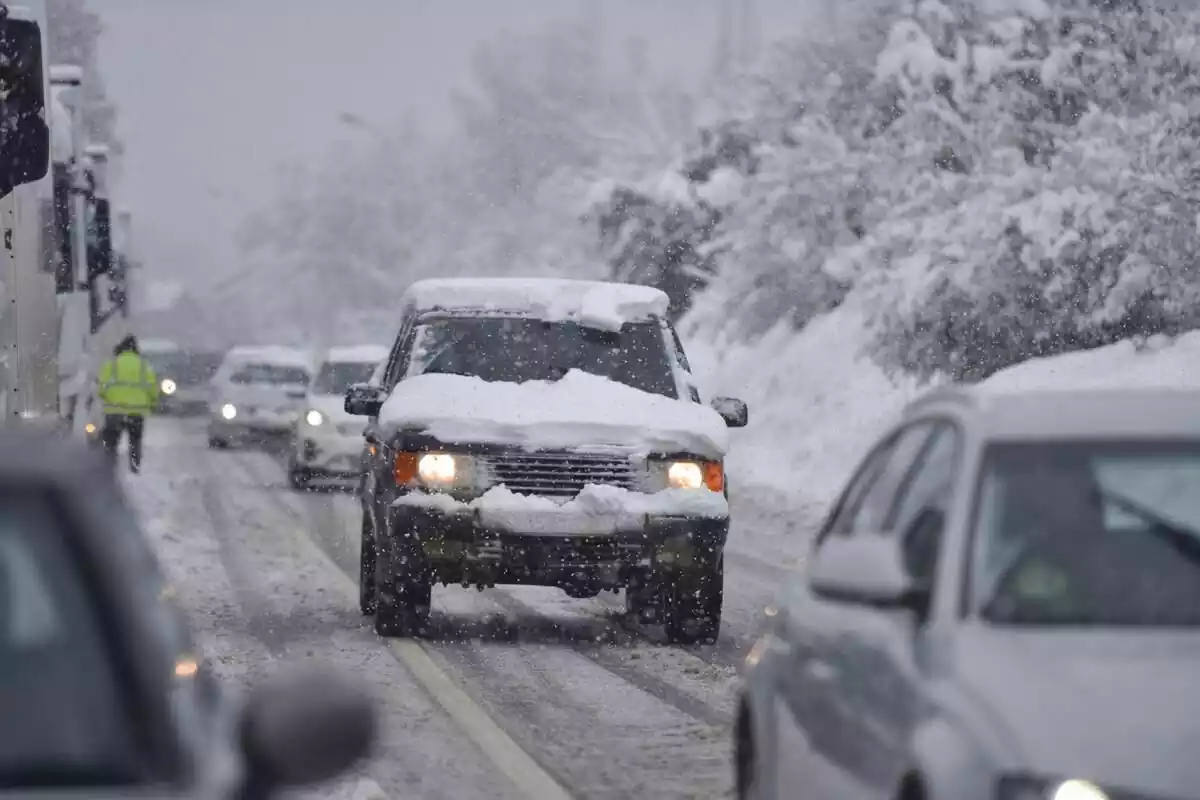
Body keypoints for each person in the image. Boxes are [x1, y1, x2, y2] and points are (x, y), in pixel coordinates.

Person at [96, 335, 159, 473]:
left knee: (111, 443)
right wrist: (152, 403)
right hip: (136, 413)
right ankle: (134, 466)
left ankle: (109, 466)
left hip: (114, 411)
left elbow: (101, 390)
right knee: (135, 441)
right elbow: (153, 390)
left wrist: (111, 398)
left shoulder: (111, 365)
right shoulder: (144, 366)